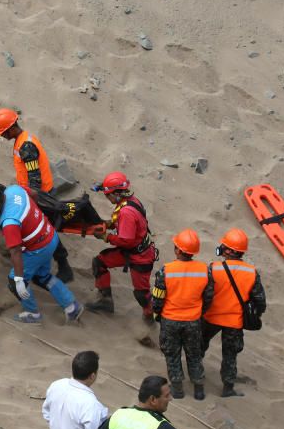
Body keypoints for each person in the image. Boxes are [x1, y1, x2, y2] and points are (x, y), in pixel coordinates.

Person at [0, 184, 83, 324]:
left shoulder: (10, 222)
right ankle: (71, 306)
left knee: (14, 281)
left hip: (38, 249)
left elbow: (15, 252)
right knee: (42, 276)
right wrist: (33, 214)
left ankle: (33, 314)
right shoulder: (13, 189)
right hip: (50, 236)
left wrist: (19, 280)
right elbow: (34, 194)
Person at [0, 107, 73, 283]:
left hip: (40, 195)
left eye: (4, 132)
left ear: (12, 127)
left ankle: (63, 265)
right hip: (35, 192)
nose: (3, 136)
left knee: (47, 229)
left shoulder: (26, 147)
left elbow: (34, 177)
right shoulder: (23, 139)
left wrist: (30, 200)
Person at [202, 229, 267, 398]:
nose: (221, 248)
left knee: (200, 344)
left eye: (224, 246)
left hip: (211, 317)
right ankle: (228, 388)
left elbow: (205, 293)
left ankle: (194, 373)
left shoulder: (214, 268)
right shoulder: (251, 272)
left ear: (230, 251)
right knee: (230, 355)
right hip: (234, 321)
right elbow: (260, 301)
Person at [86, 171, 158, 322]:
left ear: (117, 193)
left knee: (142, 294)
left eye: (108, 195)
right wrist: (109, 224)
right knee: (99, 263)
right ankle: (105, 302)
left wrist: (107, 237)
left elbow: (126, 241)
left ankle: (150, 319)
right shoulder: (131, 201)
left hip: (140, 256)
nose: (107, 198)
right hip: (132, 250)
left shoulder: (126, 212)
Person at [152, 229, 213, 401]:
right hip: (193, 321)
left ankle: (177, 389)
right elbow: (208, 297)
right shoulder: (204, 270)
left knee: (172, 354)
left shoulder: (167, 271)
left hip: (170, 320)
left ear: (178, 250)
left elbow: (158, 298)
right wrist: (200, 312)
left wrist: (157, 313)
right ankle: (199, 389)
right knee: (194, 353)